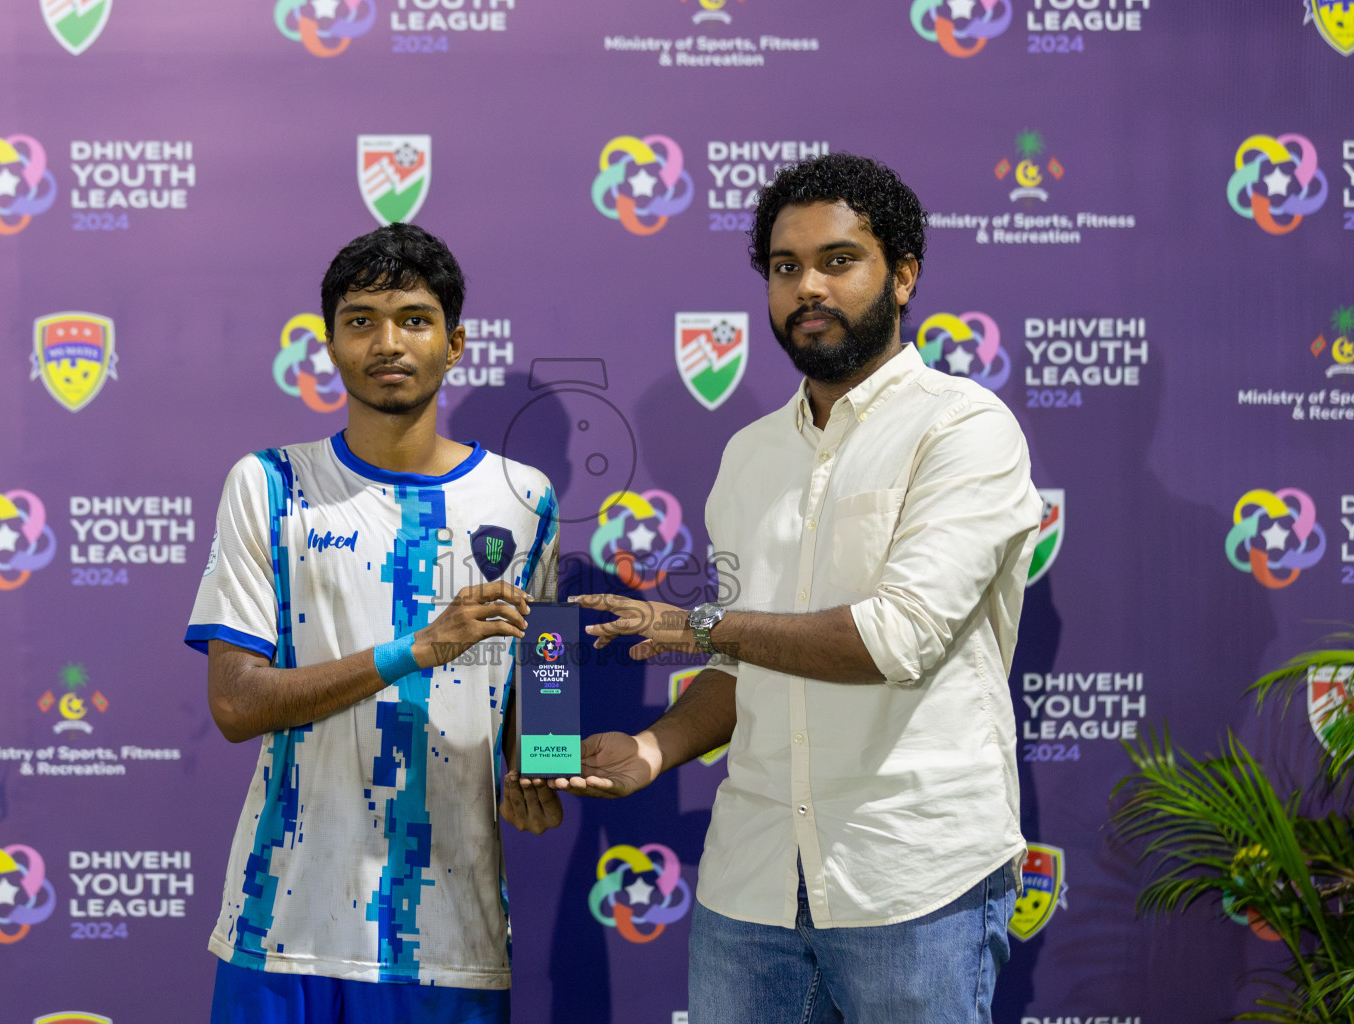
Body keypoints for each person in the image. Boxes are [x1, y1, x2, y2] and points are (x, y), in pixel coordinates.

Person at [543, 154, 1043, 1023]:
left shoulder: (963, 427)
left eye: (839, 260)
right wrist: (656, 750)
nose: (808, 286)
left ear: (905, 275)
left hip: (910, 880)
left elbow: (896, 639)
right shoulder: (748, 458)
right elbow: (748, 666)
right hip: (753, 885)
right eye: (785, 268)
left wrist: (700, 625)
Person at [186, 222, 564, 1024]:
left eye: (414, 319)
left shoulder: (526, 498)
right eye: (361, 320)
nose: (387, 342)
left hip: (449, 944)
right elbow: (236, 704)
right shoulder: (269, 484)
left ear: (456, 342)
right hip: (280, 929)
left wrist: (539, 760)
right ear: (329, 344)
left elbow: (546, 676)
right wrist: (416, 649)